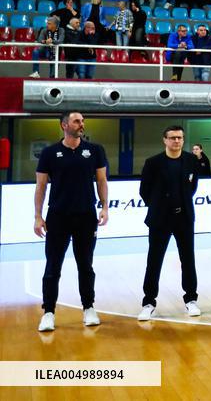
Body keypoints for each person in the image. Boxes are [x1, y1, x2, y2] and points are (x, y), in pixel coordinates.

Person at [34, 112, 109, 332]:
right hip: (58, 217)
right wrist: (38, 216)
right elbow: (40, 187)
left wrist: (104, 207)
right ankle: (48, 312)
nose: (81, 124)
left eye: (83, 121)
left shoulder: (95, 150)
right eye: (77, 121)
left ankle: (88, 307)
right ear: (64, 125)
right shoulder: (49, 153)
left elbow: (102, 181)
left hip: (86, 216)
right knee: (52, 266)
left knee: (85, 265)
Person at [137, 125, 201, 321]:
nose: (177, 141)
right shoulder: (153, 162)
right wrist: (160, 206)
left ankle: (191, 299)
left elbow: (193, 186)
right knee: (154, 260)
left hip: (184, 218)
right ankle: (148, 302)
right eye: (172, 138)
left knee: (188, 260)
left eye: (180, 138)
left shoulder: (191, 160)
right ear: (164, 140)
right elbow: (144, 191)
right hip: (160, 219)